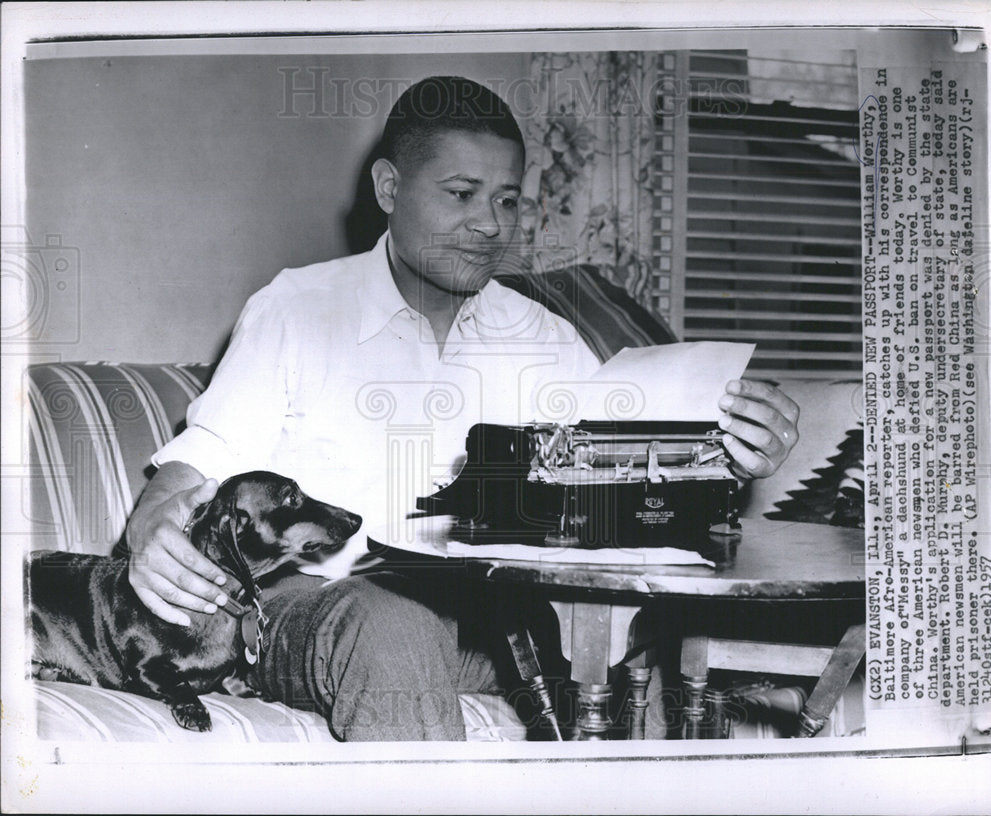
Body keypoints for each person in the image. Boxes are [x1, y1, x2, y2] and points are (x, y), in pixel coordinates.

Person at [126, 76, 800, 740]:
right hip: (315, 607)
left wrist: (728, 456)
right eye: (462, 195)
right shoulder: (297, 310)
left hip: (490, 618)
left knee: (652, 640)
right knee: (394, 626)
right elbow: (195, 468)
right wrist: (152, 530)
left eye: (508, 201)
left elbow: (612, 471)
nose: (490, 225)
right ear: (389, 188)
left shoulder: (542, 335)